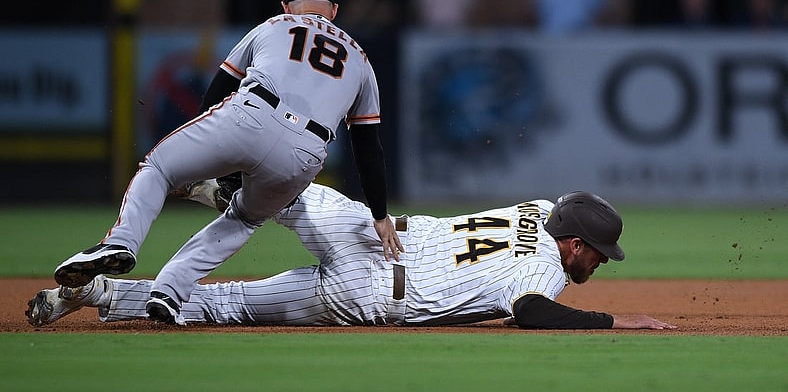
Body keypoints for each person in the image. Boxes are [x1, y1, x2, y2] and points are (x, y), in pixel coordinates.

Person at [52, 0, 403, 325]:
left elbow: (218, 90)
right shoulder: (360, 59)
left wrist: (214, 163)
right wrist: (379, 215)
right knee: (244, 219)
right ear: (335, 10)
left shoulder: (274, 25)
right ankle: (170, 291)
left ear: (286, 5)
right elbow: (367, 147)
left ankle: (121, 243)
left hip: (252, 113)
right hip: (307, 152)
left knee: (158, 167)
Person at [30, 181, 674, 330]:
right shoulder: (542, 269)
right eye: (598, 254)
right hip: (371, 295)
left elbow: (569, 199)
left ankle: (97, 291)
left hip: (376, 235)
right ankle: (105, 296)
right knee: (226, 306)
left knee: (291, 186)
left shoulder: (538, 208)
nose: (598, 264)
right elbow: (531, 312)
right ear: (572, 244)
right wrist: (617, 323)